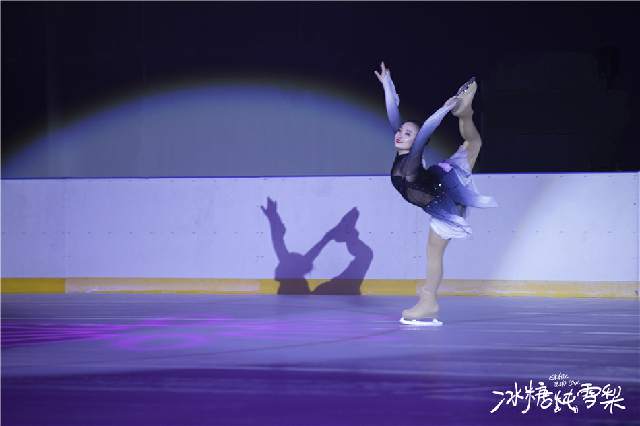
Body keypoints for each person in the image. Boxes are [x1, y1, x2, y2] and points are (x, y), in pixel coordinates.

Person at [374, 62, 497, 326]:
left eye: (407, 134)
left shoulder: (411, 158)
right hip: (440, 181)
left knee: (433, 253)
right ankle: (466, 114)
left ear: (416, 141)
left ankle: (429, 301)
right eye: (401, 131)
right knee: (473, 143)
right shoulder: (404, 151)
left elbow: (428, 128)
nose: (400, 134)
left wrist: (444, 109)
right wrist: (387, 85)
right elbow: (394, 116)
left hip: (444, 202)